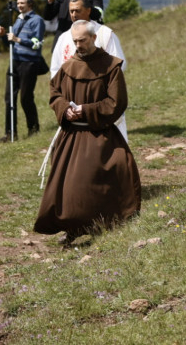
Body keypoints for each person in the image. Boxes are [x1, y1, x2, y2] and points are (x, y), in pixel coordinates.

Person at [34, 21, 141, 245]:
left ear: (93, 38)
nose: (78, 45)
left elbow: (116, 102)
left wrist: (86, 110)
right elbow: (54, 93)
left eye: (82, 40)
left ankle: (106, 223)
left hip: (100, 132)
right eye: (75, 41)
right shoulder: (68, 66)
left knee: (106, 177)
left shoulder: (111, 66)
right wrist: (65, 109)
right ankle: (72, 228)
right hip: (72, 135)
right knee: (70, 187)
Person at [50, 0, 127, 141]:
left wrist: (95, 89)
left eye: (78, 10)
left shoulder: (105, 34)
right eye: (71, 11)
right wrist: (65, 106)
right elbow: (56, 73)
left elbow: (118, 68)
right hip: (73, 116)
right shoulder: (63, 38)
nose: (74, 14)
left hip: (102, 110)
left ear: (88, 10)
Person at [0, 0, 47, 141]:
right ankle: (10, 133)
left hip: (29, 63)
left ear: (30, 5)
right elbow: (12, 44)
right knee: (9, 98)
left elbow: (37, 43)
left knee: (26, 98)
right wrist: (3, 36)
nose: (19, 6)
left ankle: (34, 129)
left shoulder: (37, 20)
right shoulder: (18, 19)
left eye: (22, 3)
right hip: (15, 62)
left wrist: (18, 39)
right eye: (18, 3)